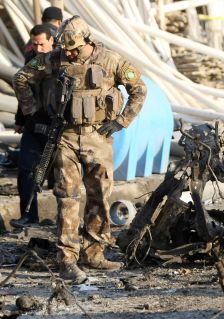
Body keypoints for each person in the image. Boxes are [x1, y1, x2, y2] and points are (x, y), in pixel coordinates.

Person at [13, 16, 147, 282]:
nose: (69, 53)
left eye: (74, 49)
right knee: (67, 196)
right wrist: (32, 111)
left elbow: (139, 90)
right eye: (66, 49)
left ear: (87, 41)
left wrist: (121, 121)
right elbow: (22, 77)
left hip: (98, 137)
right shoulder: (53, 58)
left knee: (99, 195)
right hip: (65, 137)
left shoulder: (111, 60)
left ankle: (94, 253)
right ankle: (67, 259)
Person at [10, 24, 56, 229]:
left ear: (52, 40)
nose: (38, 49)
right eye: (34, 44)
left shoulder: (65, 60)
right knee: (26, 168)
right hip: (34, 123)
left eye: (42, 44)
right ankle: (29, 216)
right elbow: (24, 91)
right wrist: (21, 120)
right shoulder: (33, 59)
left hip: (59, 127)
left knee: (61, 176)